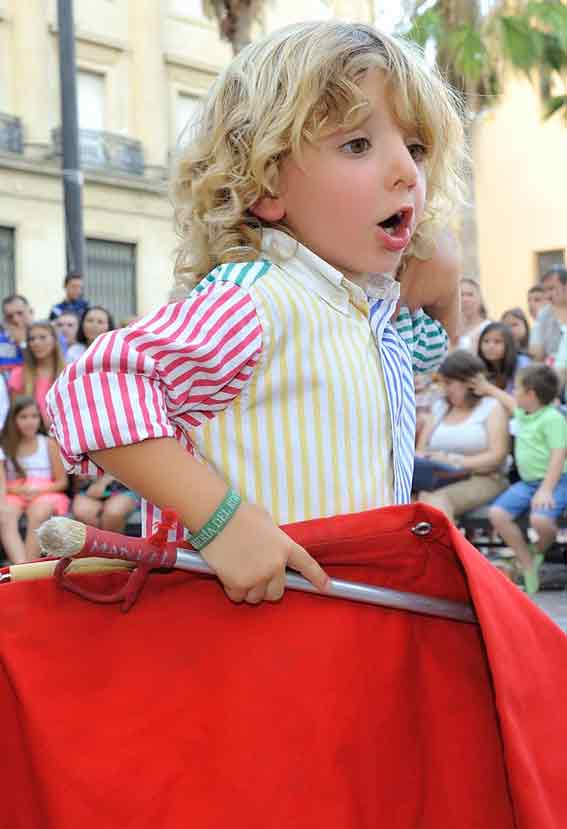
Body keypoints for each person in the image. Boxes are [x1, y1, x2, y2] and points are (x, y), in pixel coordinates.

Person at [48, 21, 466, 606]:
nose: (407, 173)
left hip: (338, 627)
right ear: (267, 182)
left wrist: (443, 278)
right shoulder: (259, 297)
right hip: (253, 641)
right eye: (357, 144)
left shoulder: (362, 313)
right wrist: (220, 520)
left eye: (416, 149)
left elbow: (431, 352)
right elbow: (93, 392)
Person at [489, 364, 567, 594]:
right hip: (528, 483)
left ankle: (537, 550)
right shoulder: (525, 414)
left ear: (530, 394)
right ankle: (527, 562)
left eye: (517, 389)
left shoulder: (553, 418)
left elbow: (558, 455)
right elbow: (509, 401)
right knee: (498, 514)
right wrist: (487, 388)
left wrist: (546, 490)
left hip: (557, 480)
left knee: (540, 521)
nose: (514, 393)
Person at [415, 350, 509, 521]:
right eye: (443, 383)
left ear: (469, 382)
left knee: (435, 501)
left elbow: (497, 456)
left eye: (449, 383)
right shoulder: (440, 408)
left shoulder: (491, 407)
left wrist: (453, 461)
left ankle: (445, 548)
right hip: (438, 479)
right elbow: (420, 451)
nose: (445, 389)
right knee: (419, 500)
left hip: (483, 477)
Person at [0, 396, 68, 563]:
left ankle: (28, 567)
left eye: (34, 416)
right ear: (13, 420)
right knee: (4, 515)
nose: (30, 422)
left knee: (38, 512)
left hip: (46, 492)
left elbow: (62, 482)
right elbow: (3, 484)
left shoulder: (49, 444)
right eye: (23, 417)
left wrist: (39, 490)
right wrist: (18, 490)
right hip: (15, 491)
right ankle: (21, 566)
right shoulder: (7, 445)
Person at [8, 321, 66, 429]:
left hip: (64, 437)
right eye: (31, 339)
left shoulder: (68, 373)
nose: (36, 343)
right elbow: (15, 414)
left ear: (54, 340)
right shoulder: (18, 374)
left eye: (42, 337)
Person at [529, 265, 567, 391]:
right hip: (551, 377)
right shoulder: (544, 314)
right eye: (545, 290)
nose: (548, 295)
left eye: (551, 288)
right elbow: (537, 354)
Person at [71, 473, 141, 533]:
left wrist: (103, 482)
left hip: (123, 488)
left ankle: (113, 546)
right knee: (83, 512)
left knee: (113, 513)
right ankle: (97, 545)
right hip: (90, 488)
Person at [477, 321, 531, 395]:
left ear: (508, 345)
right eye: (486, 341)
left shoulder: (522, 363)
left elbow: (519, 403)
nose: (491, 346)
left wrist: (489, 389)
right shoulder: (480, 366)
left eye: (497, 341)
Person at [454, 277, 490, 352]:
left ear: (480, 299)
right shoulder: (448, 329)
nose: (465, 299)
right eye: (461, 295)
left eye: (470, 295)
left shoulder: (488, 328)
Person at [0, 295, 33, 374]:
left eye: (20, 313)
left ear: (31, 311)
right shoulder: (1, 339)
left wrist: (22, 343)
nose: (15, 319)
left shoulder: (46, 336)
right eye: (9, 316)